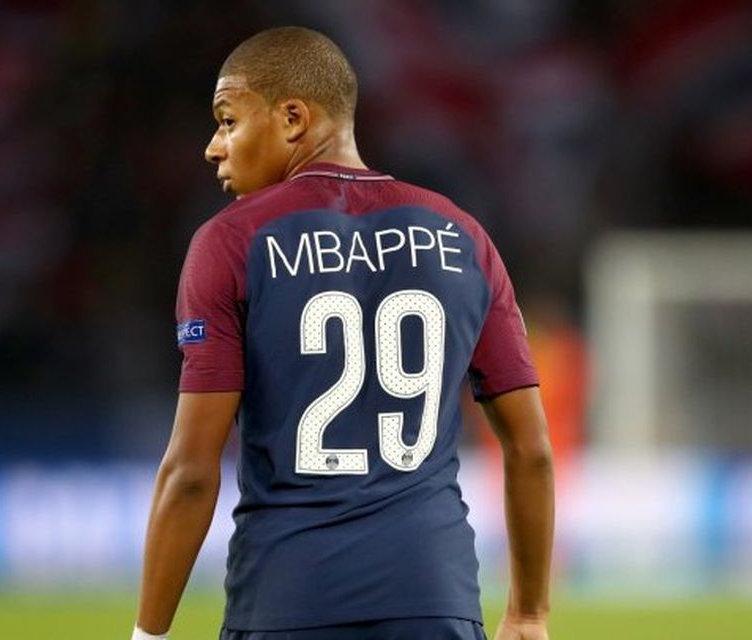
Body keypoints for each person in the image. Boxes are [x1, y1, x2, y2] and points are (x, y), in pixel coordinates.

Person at [133, 26, 554, 640]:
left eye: (227, 120)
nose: (213, 148)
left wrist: (149, 635)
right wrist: (528, 613)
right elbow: (532, 448)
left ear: (293, 117)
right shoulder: (463, 236)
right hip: (435, 600)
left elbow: (192, 472)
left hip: (288, 601)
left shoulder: (229, 243)